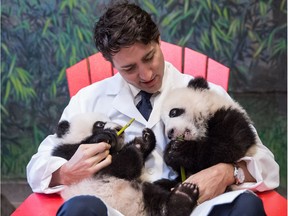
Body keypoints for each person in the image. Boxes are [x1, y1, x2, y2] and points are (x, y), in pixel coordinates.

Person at [27, 2, 279, 216]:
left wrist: (227, 172)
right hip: (117, 208)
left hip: (196, 208)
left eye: (149, 57)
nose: (145, 75)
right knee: (80, 208)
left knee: (246, 206)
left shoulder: (200, 93)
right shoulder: (89, 99)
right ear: (111, 62)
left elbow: (266, 166)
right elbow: (38, 166)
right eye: (129, 68)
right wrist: (66, 172)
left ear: (158, 40)